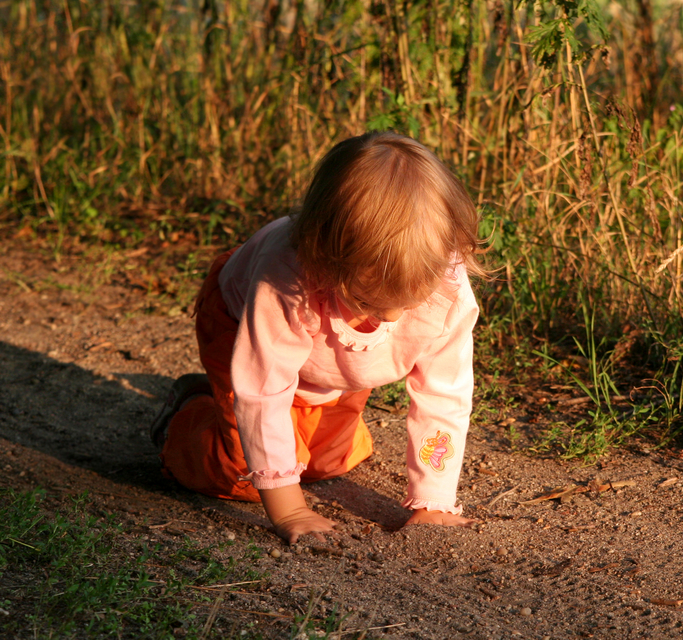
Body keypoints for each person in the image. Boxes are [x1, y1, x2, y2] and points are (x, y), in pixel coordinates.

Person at [150, 131, 486, 544]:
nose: (392, 318)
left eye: (410, 301)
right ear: (326, 259)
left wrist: (433, 501)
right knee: (243, 475)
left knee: (329, 462)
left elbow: (444, 393)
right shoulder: (285, 278)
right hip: (245, 334)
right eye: (368, 301)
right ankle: (187, 415)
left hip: (335, 364)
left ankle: (284, 422)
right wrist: (289, 510)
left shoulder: (445, 285)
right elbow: (264, 387)